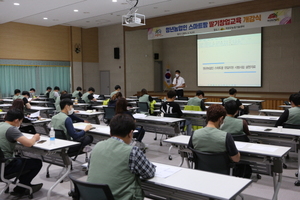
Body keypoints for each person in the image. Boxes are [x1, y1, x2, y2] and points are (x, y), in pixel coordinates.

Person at [87, 114, 156, 200]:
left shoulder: (97, 146)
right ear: (131, 134)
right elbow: (149, 173)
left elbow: (89, 168)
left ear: (110, 132)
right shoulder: (132, 151)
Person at [0, 109, 43, 197]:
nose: (20, 124)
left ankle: (22, 185)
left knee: (23, 160)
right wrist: (35, 137)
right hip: (5, 166)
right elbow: (29, 144)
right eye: (20, 121)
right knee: (37, 163)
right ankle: (22, 188)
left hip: (1, 163)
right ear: (16, 120)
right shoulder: (11, 129)